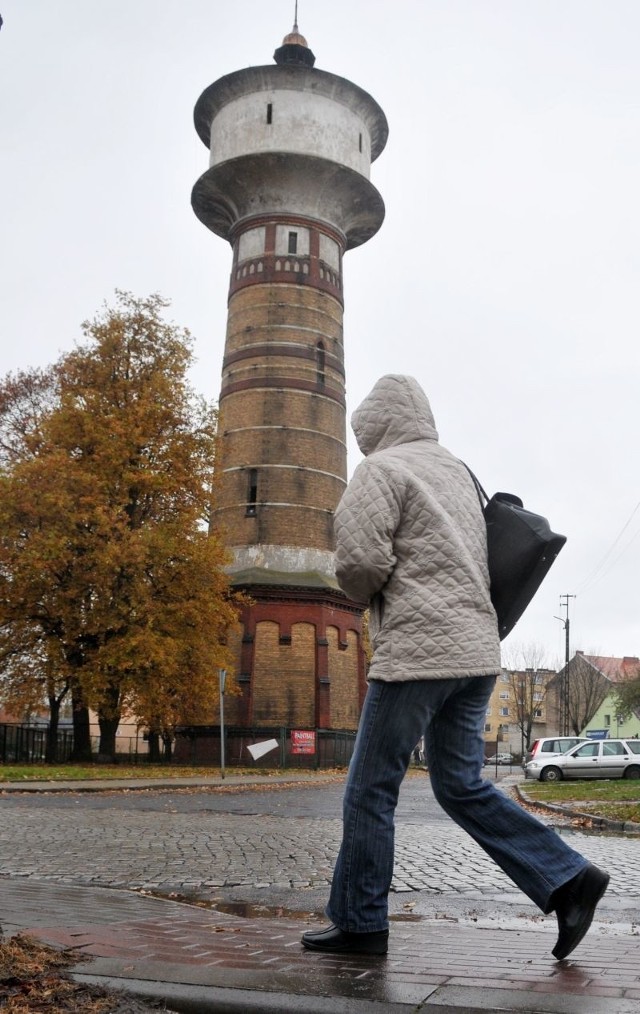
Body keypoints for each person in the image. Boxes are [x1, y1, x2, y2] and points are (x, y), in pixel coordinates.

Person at [302, 374, 609, 959]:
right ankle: (570, 879)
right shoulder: (457, 470)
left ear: (373, 426)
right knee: (461, 784)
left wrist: (361, 586)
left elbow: (362, 564)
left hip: (419, 652)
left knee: (370, 790)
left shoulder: (380, 470)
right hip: (477, 652)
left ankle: (361, 924)